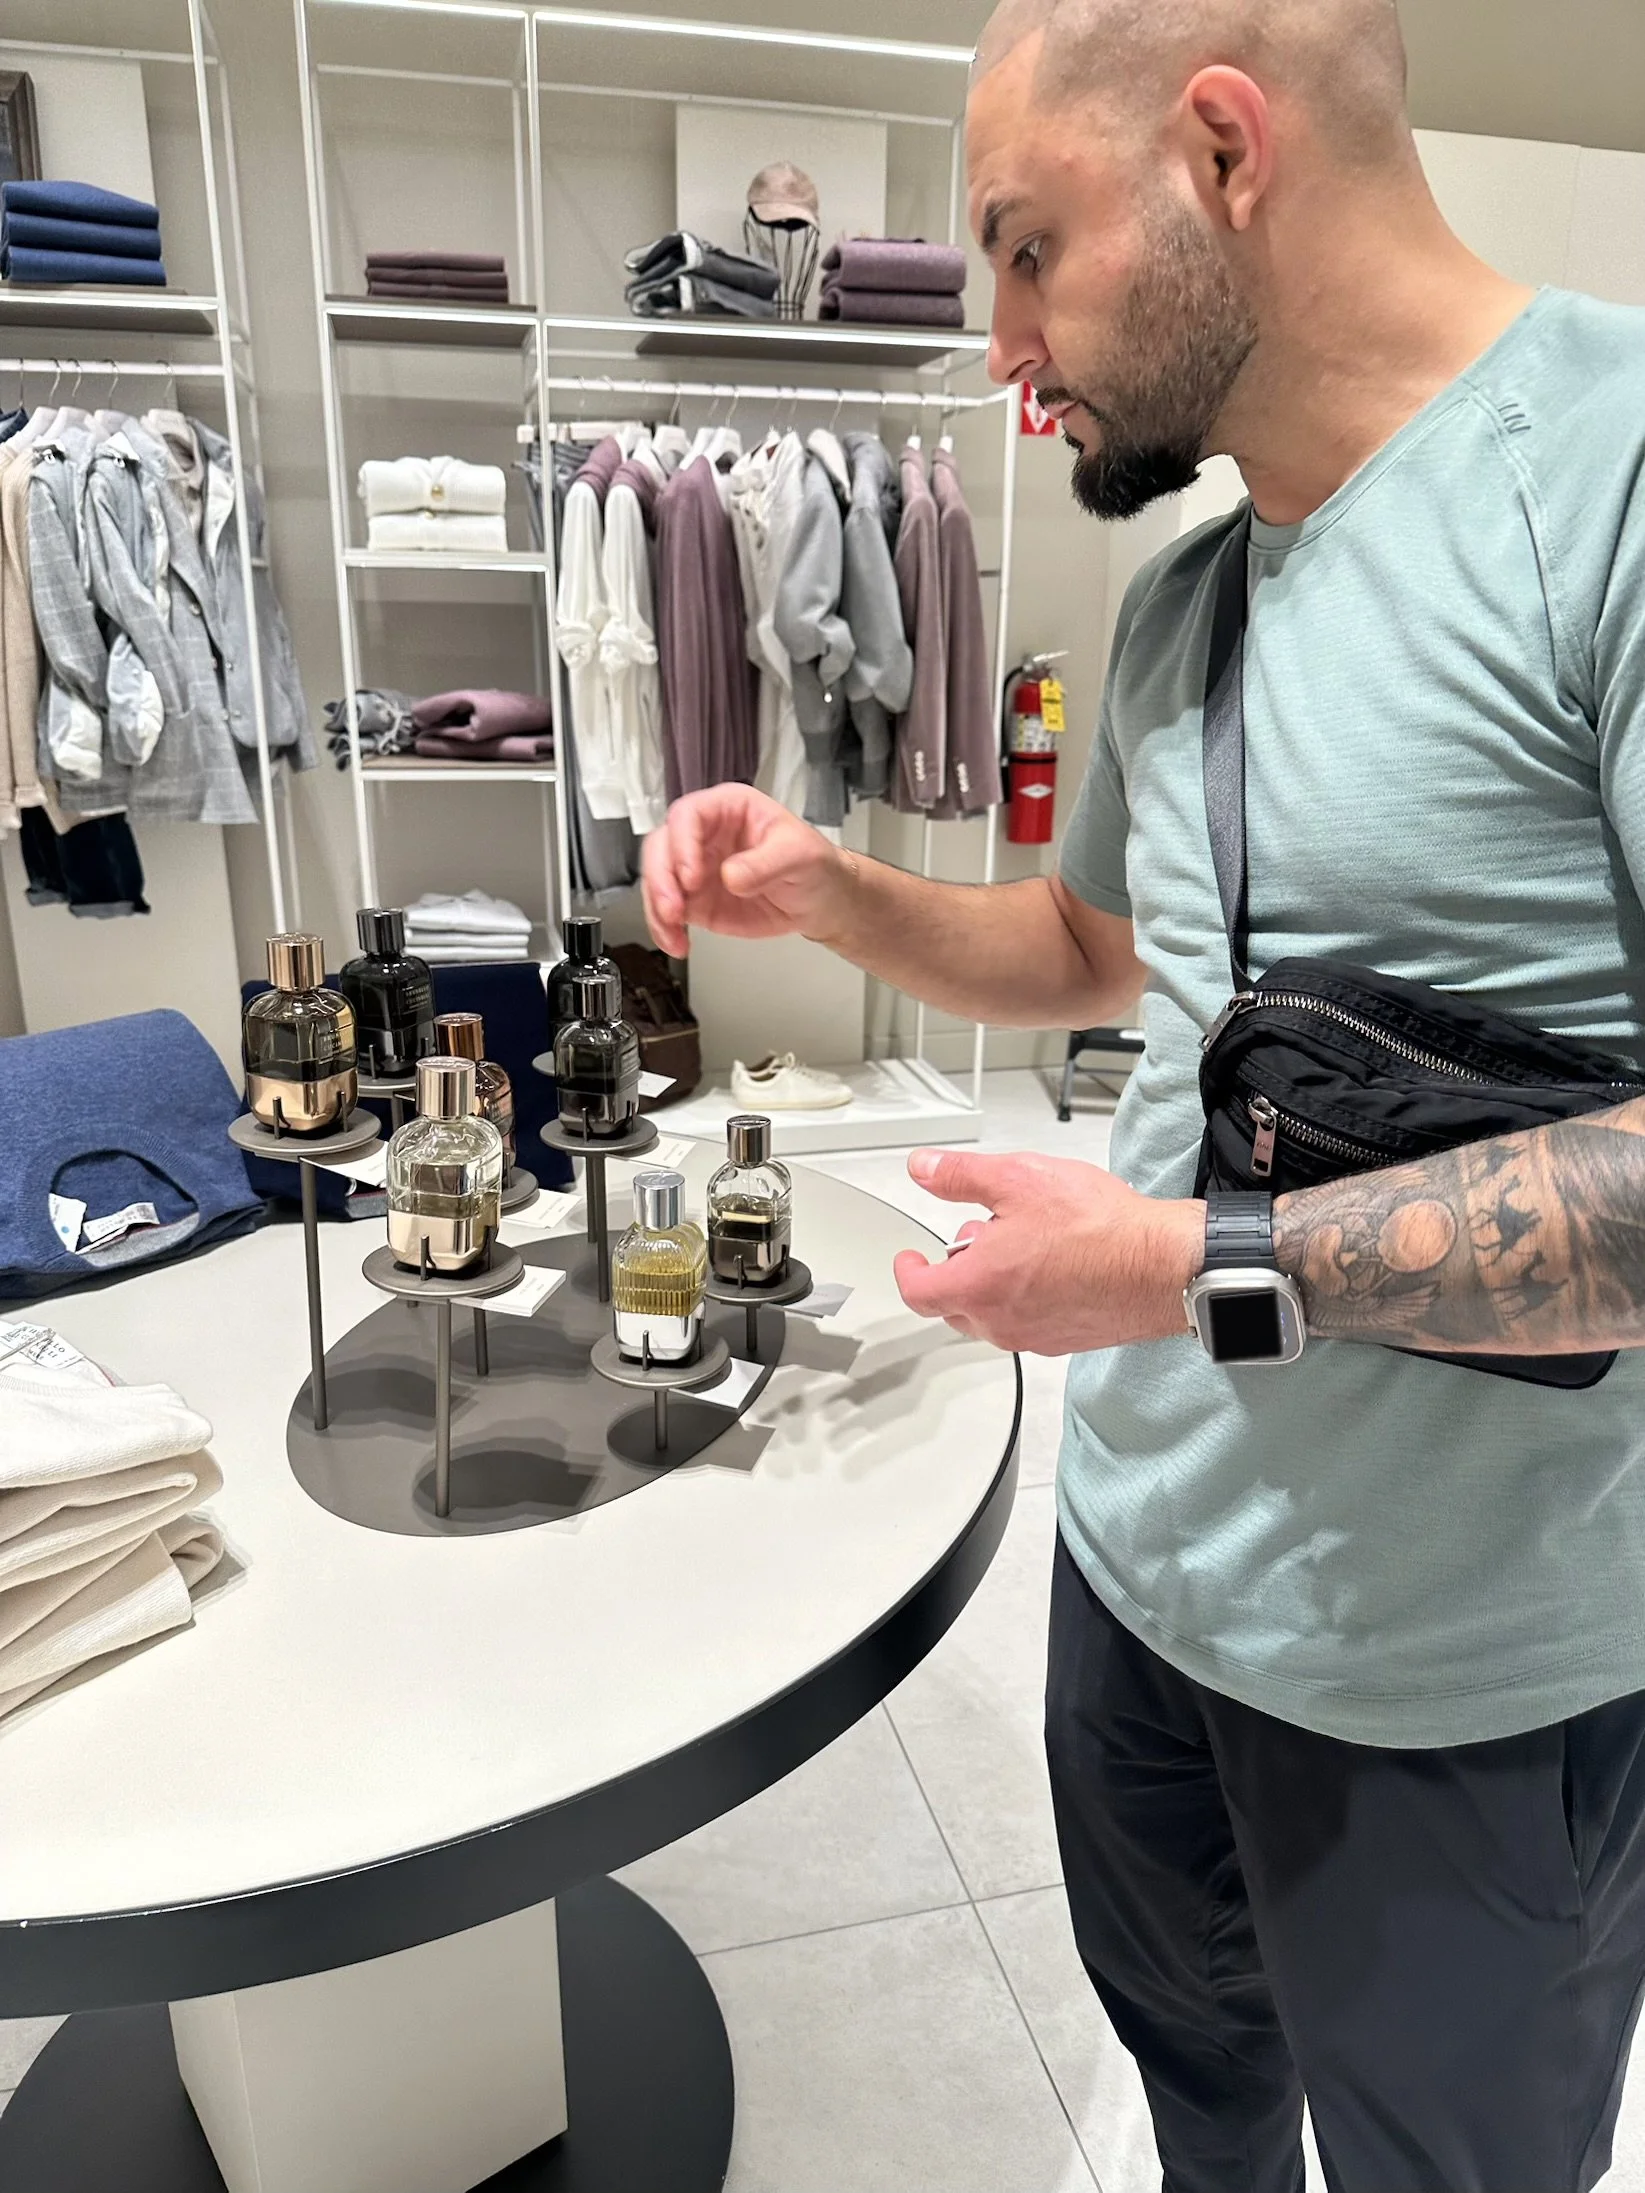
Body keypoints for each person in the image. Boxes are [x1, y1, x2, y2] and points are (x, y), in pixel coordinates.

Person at [643, 1, 1645, 2184]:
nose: (1001, 341)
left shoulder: (1616, 477)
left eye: (1022, 245)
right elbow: (1100, 951)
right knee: (1207, 2114)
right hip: (1142, 1592)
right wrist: (839, 894)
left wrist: (1192, 1264)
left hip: (1458, 1694)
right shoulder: (1194, 596)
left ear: (1222, 149)